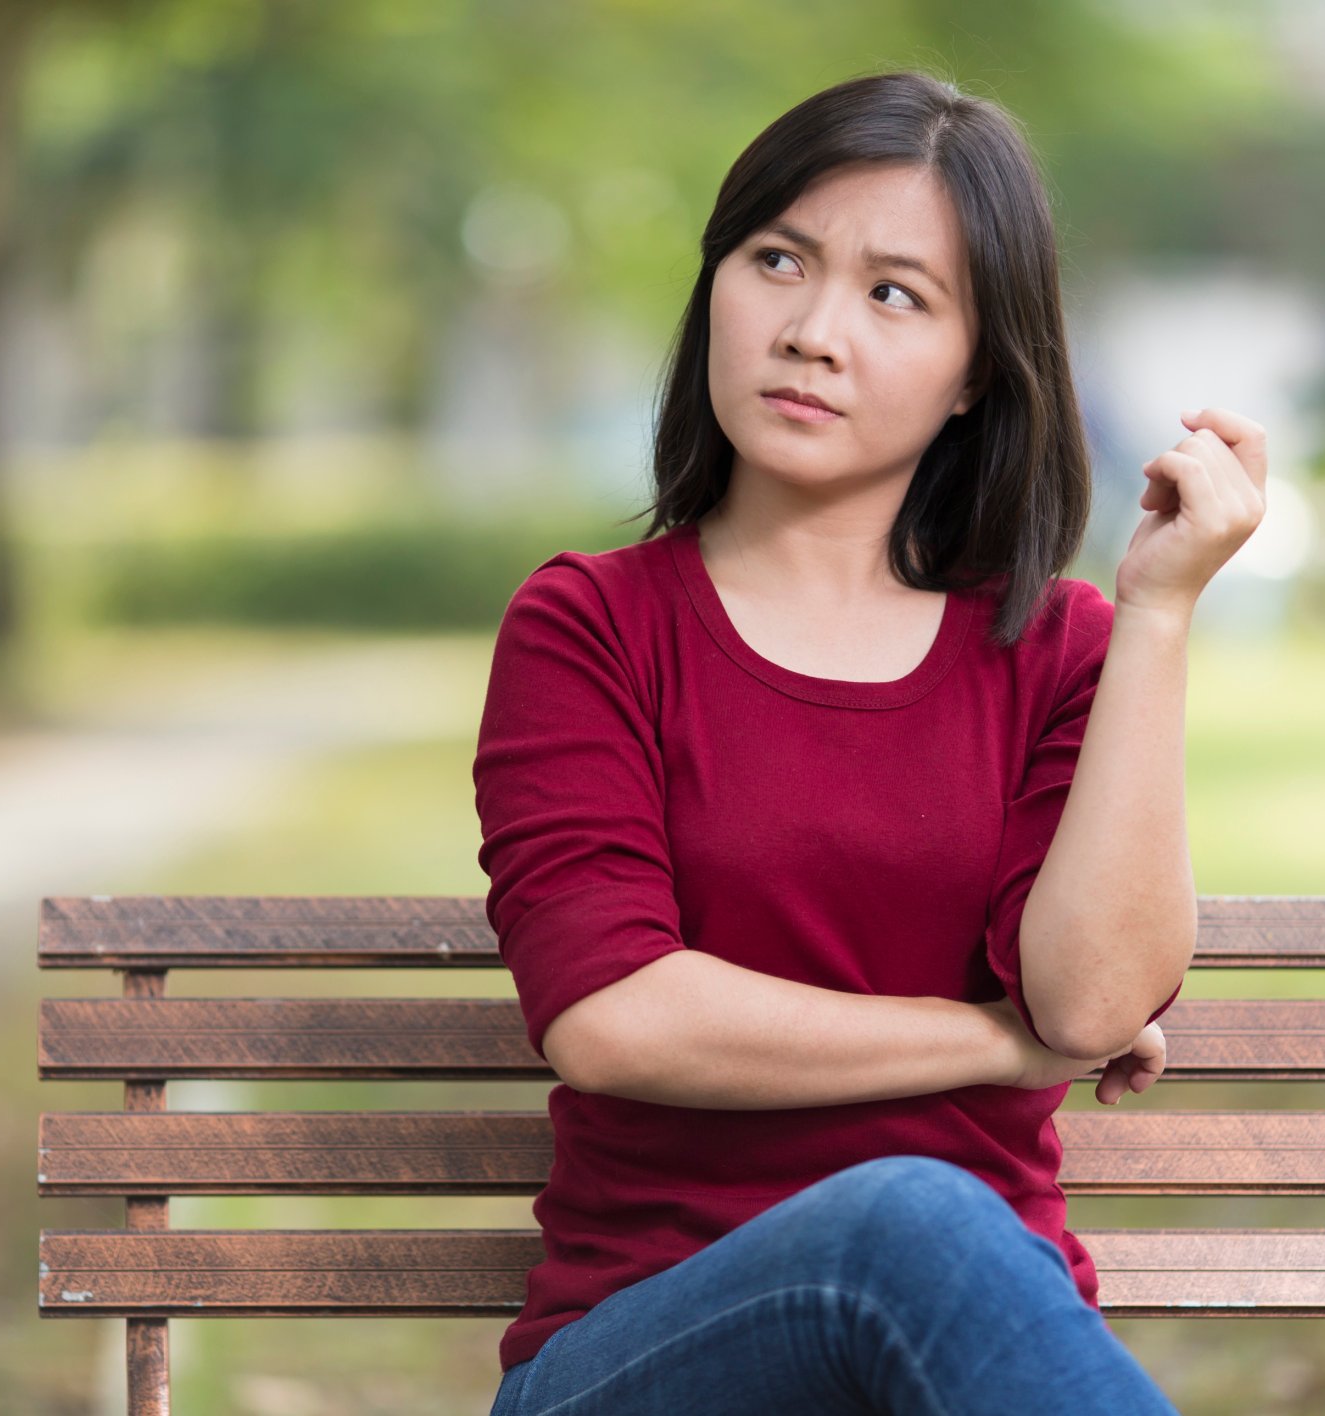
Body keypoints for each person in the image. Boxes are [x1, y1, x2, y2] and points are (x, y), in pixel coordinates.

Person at [472, 67, 1267, 1416]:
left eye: (894, 293)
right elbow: (614, 1020)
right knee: (897, 1222)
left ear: (975, 376)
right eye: (777, 261)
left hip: (951, 1373)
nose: (811, 330)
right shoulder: (589, 626)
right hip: (637, 1365)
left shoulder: (1057, 653)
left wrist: (1154, 616)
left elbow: (1088, 1005)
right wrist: (990, 1046)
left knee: (913, 1230)